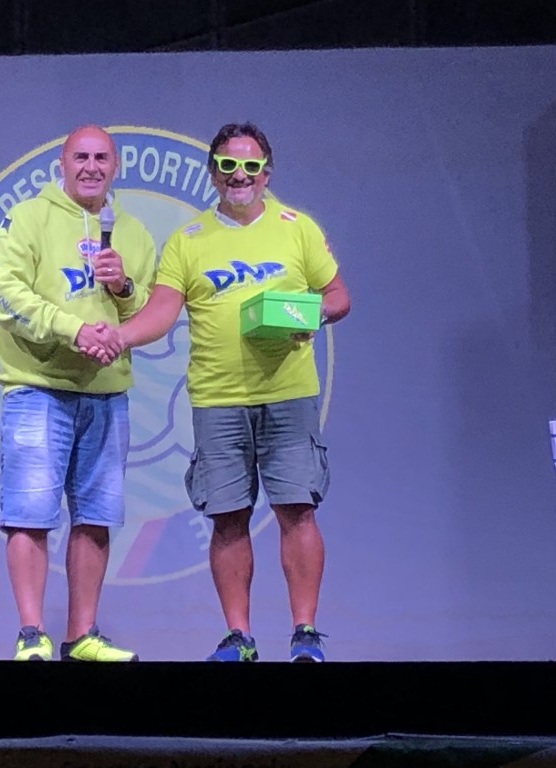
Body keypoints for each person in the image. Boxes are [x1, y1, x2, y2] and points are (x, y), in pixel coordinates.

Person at [108, 122, 351, 662]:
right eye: (228, 165)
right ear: (213, 173)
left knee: (297, 509)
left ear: (267, 173)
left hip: (288, 393)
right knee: (227, 515)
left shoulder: (298, 229)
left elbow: (337, 296)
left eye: (250, 165)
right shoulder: (188, 240)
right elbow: (161, 311)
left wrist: (310, 314)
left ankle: (305, 634)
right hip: (217, 399)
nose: (239, 175)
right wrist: (120, 335)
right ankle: (239, 637)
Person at [0, 124, 156, 661]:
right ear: (61, 163)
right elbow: (5, 294)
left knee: (96, 516)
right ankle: (31, 633)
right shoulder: (28, 217)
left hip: (106, 391)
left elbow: (148, 311)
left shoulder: (134, 232)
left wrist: (122, 287)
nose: (91, 167)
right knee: (30, 514)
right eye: (80, 157)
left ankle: (81, 635)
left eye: (101, 158)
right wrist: (73, 329)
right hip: (38, 388)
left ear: (116, 165)